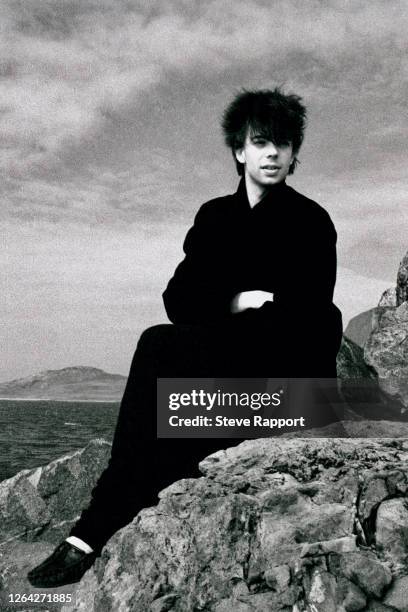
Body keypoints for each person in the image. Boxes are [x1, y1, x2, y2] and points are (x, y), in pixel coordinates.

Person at [27, 87, 343, 588]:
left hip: (286, 371)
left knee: (172, 363)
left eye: (283, 144)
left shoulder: (311, 222)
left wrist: (225, 308)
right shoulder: (216, 217)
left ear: (293, 153)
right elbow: (178, 299)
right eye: (260, 142)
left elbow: (303, 318)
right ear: (239, 150)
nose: (272, 153)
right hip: (232, 364)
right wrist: (241, 300)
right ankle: (94, 530)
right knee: (160, 344)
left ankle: (96, 525)